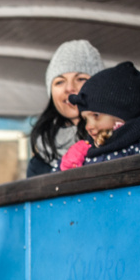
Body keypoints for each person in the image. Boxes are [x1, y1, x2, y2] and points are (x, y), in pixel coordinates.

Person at [59, 62, 140, 170]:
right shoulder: (88, 150)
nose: (88, 126)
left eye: (96, 115)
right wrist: (68, 165)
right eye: (85, 119)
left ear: (122, 116)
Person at [27, 40, 105, 177]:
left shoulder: (119, 139)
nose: (69, 88)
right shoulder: (39, 163)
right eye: (60, 81)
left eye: (81, 79)